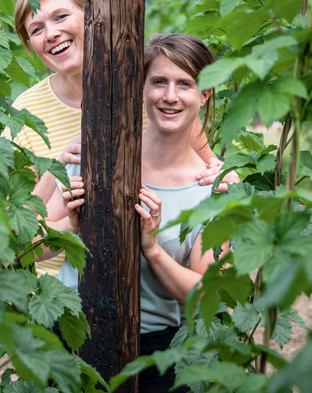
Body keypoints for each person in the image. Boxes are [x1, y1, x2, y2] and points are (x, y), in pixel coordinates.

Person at [8, 0, 236, 278]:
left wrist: (227, 176)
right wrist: (57, 165)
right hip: (59, 293)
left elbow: (208, 166)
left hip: (142, 289)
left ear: (91, 15)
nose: (51, 33)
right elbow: (18, 228)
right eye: (36, 29)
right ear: (29, 44)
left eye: (61, 16)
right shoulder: (25, 112)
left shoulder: (149, 92)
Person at [52, 34, 229, 393]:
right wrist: (72, 229)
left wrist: (152, 249)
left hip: (155, 357)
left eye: (185, 84)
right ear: (141, 88)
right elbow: (33, 245)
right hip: (69, 338)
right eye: (159, 82)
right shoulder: (95, 158)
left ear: (205, 94)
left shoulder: (213, 192)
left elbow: (209, 295)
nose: (169, 96)